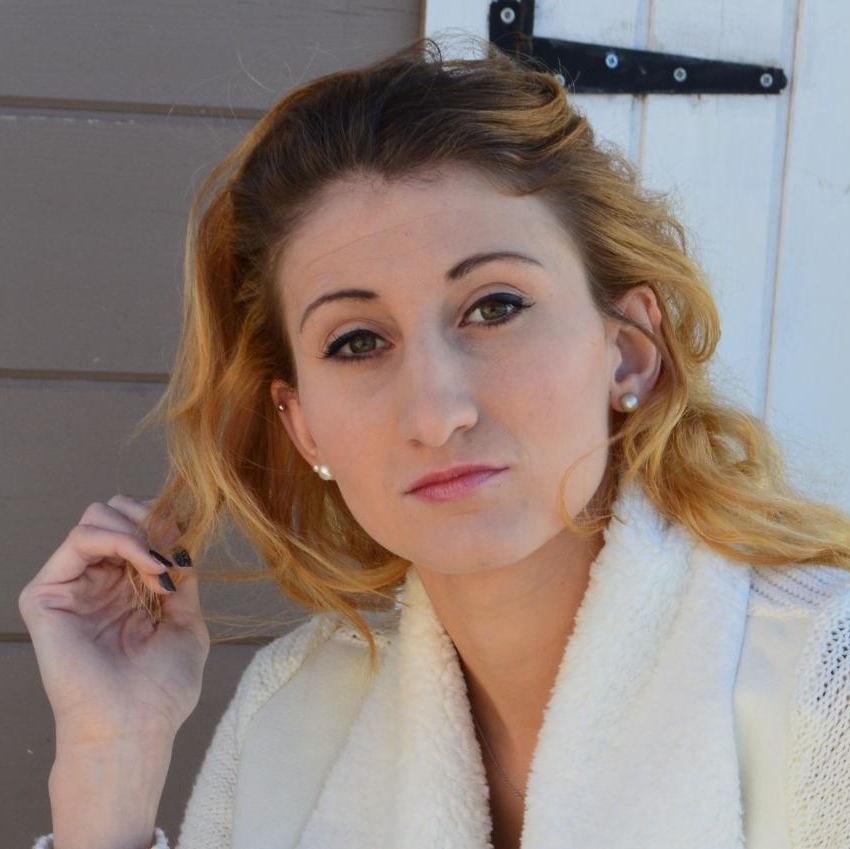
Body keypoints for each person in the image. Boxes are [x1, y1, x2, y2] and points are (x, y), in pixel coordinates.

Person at [19, 36, 850, 849]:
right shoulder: (288, 719)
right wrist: (109, 756)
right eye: (357, 342)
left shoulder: (825, 682)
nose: (436, 412)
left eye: (495, 307)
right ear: (302, 423)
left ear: (629, 350)